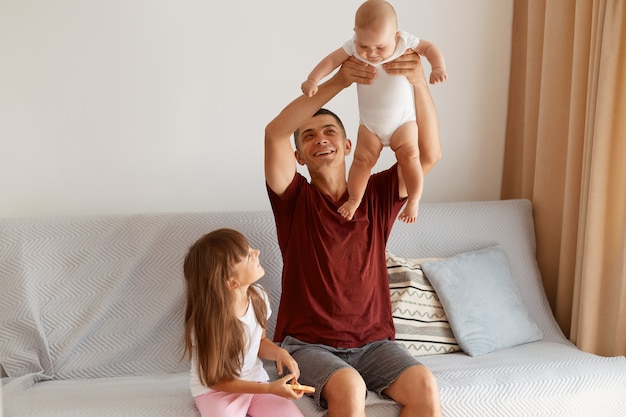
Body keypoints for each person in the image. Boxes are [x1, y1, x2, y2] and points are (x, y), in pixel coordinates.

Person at [265, 48, 443, 417]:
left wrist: (418, 83)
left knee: (425, 384)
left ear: (348, 146)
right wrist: (340, 81)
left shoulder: (376, 194)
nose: (320, 140)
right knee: (350, 385)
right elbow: (274, 132)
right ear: (299, 156)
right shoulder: (293, 198)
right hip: (308, 346)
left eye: (329, 131)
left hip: (375, 344)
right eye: (309, 137)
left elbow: (428, 154)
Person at [300, 0, 447, 223]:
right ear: (355, 34)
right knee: (361, 160)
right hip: (370, 126)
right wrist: (313, 80)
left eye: (380, 47)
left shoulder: (404, 42)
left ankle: (414, 200)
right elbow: (331, 60)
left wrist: (437, 67)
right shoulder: (352, 46)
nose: (371, 54)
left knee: (411, 157)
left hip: (403, 123)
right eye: (364, 46)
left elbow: (429, 48)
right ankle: (354, 199)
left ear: (395, 36)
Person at [182, 228, 307, 417]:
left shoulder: (259, 298)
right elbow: (214, 380)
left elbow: (260, 341)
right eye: (248, 255)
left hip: (255, 381)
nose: (257, 252)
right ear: (232, 283)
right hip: (217, 391)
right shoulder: (208, 323)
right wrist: (270, 389)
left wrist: (280, 353)